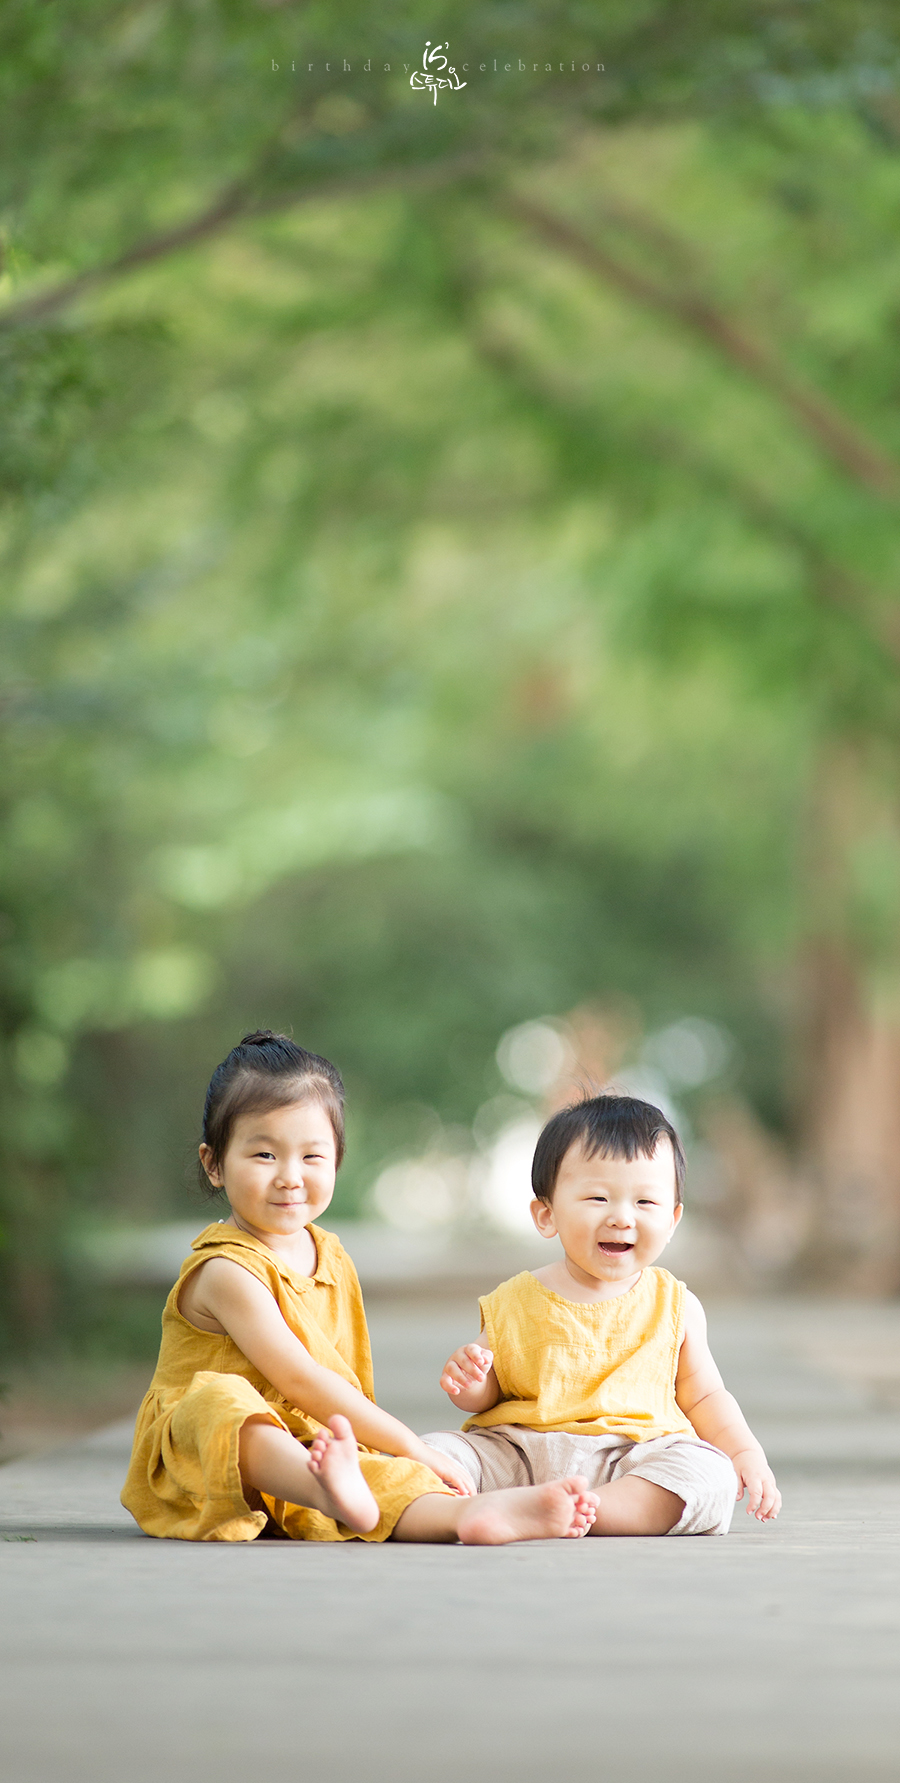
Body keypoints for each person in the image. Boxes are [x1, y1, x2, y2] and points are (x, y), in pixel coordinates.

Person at [121, 1031, 598, 1545]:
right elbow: (302, 1379)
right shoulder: (226, 1271)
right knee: (223, 1402)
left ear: (337, 1161)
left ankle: (468, 1518)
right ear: (214, 1163)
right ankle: (326, 1488)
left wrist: (392, 1457)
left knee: (384, 1476)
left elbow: (343, 1387)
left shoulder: (332, 1257)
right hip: (205, 1459)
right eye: (263, 1155)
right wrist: (411, 1444)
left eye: (311, 1157)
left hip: (315, 1448)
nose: (289, 1177)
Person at [425, 1093, 781, 1536]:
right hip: (518, 1452)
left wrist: (744, 1453)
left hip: (631, 1459)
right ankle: (519, 1507)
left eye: (645, 1203)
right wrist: (470, 1382)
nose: (621, 1217)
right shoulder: (514, 1298)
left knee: (708, 1474)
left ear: (672, 1220)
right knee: (433, 1453)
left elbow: (705, 1398)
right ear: (546, 1213)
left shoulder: (675, 1305)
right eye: (597, 1197)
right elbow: (485, 1391)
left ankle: (578, 1511)